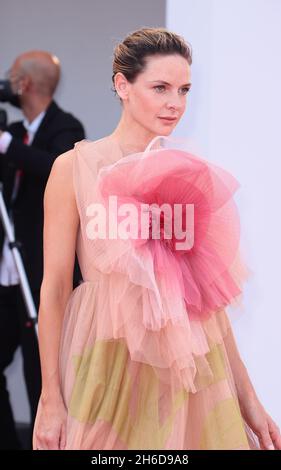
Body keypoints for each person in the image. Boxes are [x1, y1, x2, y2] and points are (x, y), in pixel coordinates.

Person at [32, 28, 281, 450]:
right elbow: (54, 289)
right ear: (122, 85)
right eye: (160, 88)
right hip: (102, 364)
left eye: (184, 90)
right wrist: (50, 397)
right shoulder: (73, 167)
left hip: (185, 373)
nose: (175, 103)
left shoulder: (187, 173)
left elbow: (207, 300)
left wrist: (249, 399)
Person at [0, 50, 85, 449]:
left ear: (25, 84)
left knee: (41, 369)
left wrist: (6, 146)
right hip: (8, 269)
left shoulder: (66, 128)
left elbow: (55, 166)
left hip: (40, 270)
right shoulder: (14, 131)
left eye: (10, 77)